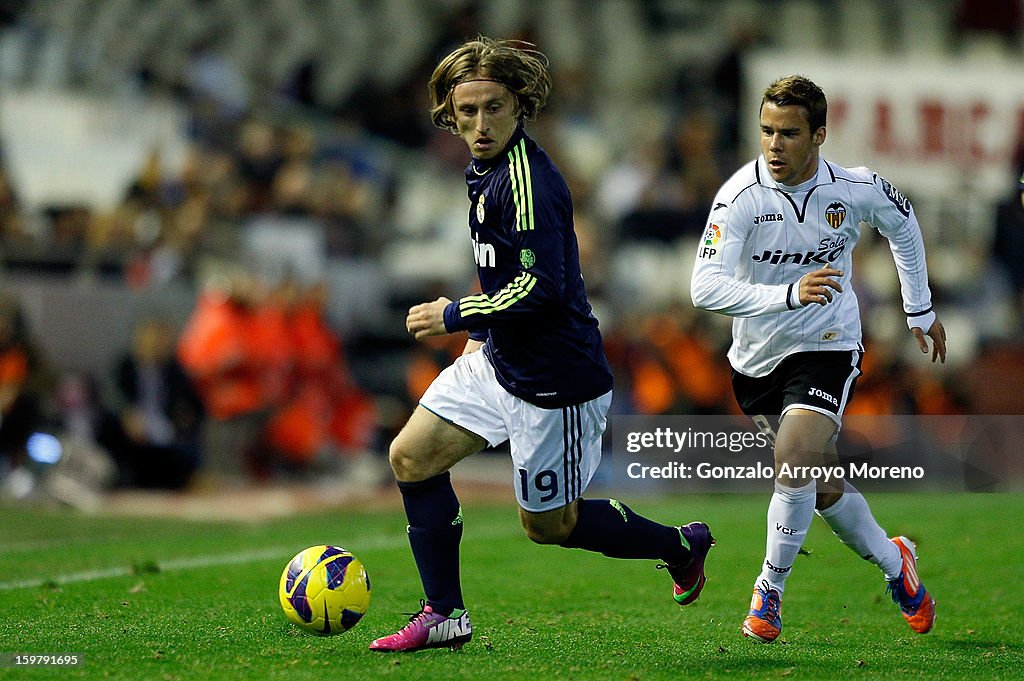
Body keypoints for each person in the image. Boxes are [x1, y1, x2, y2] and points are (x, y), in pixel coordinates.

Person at [369, 36, 715, 653]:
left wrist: (455, 313)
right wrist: (480, 333)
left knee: (550, 526)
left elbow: (541, 289)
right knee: (410, 457)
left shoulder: (527, 180)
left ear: (519, 106)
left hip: (557, 382)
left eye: (493, 107)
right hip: (500, 359)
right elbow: (503, 271)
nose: (480, 124)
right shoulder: (483, 170)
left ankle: (678, 546)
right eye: (467, 110)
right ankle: (444, 613)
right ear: (450, 113)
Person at [690, 75, 946, 643]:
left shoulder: (854, 189)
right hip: (755, 360)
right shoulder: (739, 197)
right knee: (816, 481)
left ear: (819, 135)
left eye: (788, 133)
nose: (774, 145)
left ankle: (768, 592)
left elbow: (903, 225)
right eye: (766, 131)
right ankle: (894, 559)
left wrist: (919, 309)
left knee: (795, 460)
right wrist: (786, 293)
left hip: (827, 343)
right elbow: (703, 287)